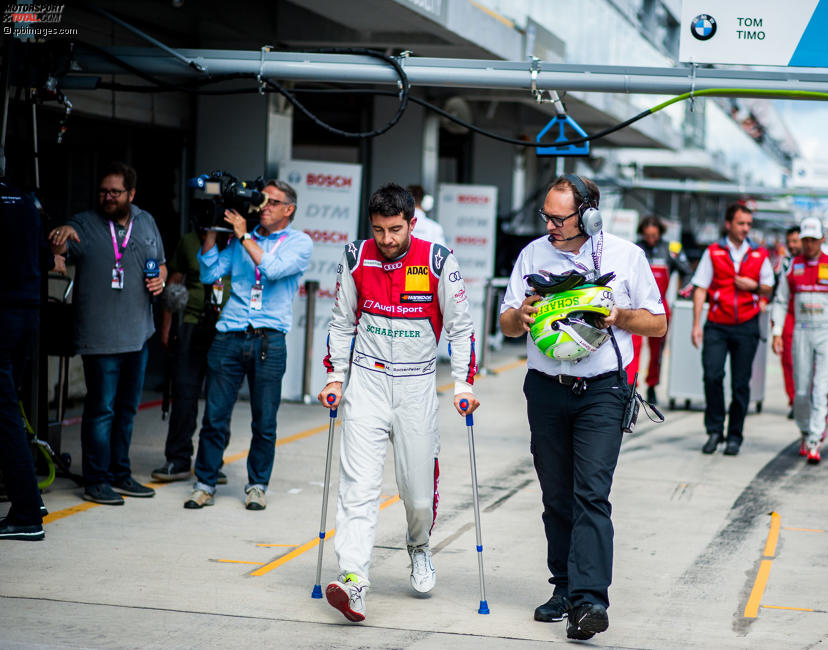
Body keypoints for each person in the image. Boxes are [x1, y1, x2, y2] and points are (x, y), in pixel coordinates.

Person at [499, 174, 666, 641]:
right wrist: (523, 314)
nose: (550, 225)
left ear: (589, 214)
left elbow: (656, 323)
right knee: (555, 494)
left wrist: (620, 315)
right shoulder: (533, 254)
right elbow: (508, 322)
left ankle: (590, 601)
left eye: (559, 217)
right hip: (546, 389)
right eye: (545, 216)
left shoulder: (626, 256)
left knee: (590, 493)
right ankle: (564, 586)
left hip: (603, 391)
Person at [317, 183, 478, 623]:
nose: (387, 240)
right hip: (367, 383)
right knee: (358, 488)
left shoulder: (438, 260)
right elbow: (341, 323)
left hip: (416, 386)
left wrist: (462, 385)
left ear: (412, 222)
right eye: (379, 230)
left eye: (395, 229)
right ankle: (353, 580)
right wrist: (336, 378)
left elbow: (462, 329)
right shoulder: (354, 257)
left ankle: (419, 546)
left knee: (417, 495)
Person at [184, 180, 312, 510]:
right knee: (214, 416)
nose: (263, 207)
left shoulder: (299, 243)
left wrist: (242, 235)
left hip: (269, 340)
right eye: (261, 201)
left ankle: (256, 485)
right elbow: (209, 272)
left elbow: (271, 269)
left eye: (271, 202)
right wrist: (211, 230)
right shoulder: (243, 239)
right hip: (229, 335)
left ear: (289, 209)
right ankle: (204, 482)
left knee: (264, 420)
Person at [49, 162, 166, 505]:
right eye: (103, 191)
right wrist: (58, 246)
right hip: (99, 339)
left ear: (131, 194)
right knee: (101, 411)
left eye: (115, 192)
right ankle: (96, 480)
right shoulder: (83, 224)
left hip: (138, 335)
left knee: (127, 410)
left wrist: (160, 275)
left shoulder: (146, 222)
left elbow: (159, 262)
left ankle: (120, 473)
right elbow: (58, 244)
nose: (107, 197)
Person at [0, 150, 63, 540]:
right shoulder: (24, 201)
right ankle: (30, 499)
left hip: (3, 316)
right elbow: (48, 256)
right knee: (8, 409)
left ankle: (26, 512)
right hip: (26, 317)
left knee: (5, 415)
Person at [771, 218, 828, 463]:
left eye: (814, 239)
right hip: (802, 330)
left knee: (821, 388)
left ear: (822, 239)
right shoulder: (791, 266)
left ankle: (815, 440)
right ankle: (804, 431)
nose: (810, 244)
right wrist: (777, 331)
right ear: (801, 240)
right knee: (801, 390)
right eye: (806, 239)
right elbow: (780, 301)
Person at [690, 203, 774, 456]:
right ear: (729, 224)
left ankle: (735, 435)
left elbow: (769, 287)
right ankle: (715, 431)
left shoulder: (760, 254)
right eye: (741, 223)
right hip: (717, 324)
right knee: (713, 376)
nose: (746, 228)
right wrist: (696, 324)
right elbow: (700, 287)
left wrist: (755, 286)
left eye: (749, 224)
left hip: (746, 326)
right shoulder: (714, 251)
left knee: (741, 384)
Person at [151, 231, 231, 482]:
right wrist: (166, 328)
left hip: (229, 328)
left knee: (220, 401)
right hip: (191, 324)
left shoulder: (246, 240)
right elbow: (173, 283)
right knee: (184, 394)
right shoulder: (190, 240)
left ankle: (212, 463)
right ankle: (178, 459)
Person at [627, 214, 690, 404]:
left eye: (654, 235)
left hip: (659, 309)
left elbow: (687, 272)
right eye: (647, 236)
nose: (651, 239)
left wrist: (682, 293)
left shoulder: (671, 250)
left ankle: (652, 386)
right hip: (634, 308)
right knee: (632, 349)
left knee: (657, 352)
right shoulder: (633, 249)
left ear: (660, 233)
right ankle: (631, 387)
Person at [772, 226, 801, 419]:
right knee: (789, 361)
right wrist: (777, 328)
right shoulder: (783, 265)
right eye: (789, 241)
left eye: (796, 241)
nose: (792, 245)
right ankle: (794, 401)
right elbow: (778, 296)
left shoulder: (820, 262)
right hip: (789, 316)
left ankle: (809, 400)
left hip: (810, 316)